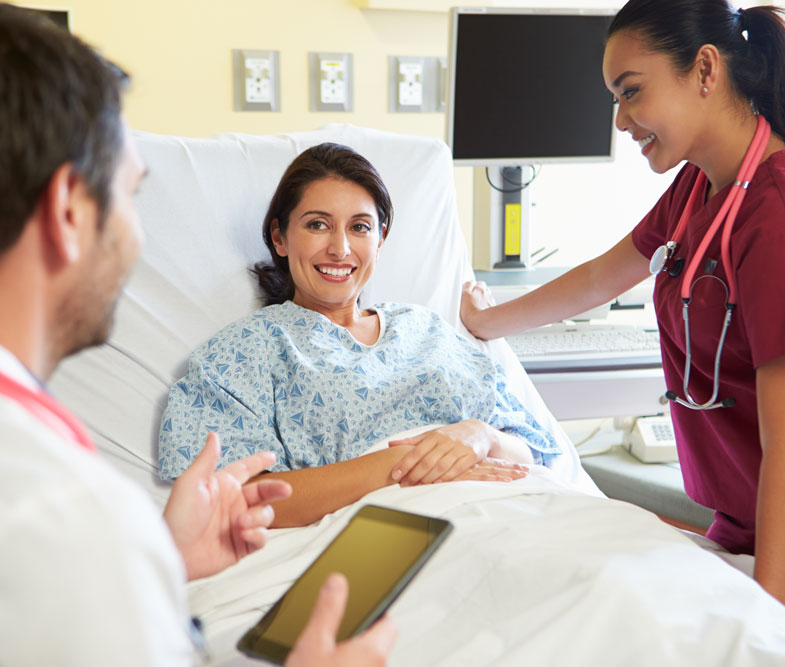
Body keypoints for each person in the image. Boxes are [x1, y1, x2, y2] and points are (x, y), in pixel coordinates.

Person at [0, 4, 395, 665]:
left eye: (361, 226)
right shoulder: (62, 511)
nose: (139, 236)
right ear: (71, 211)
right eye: (133, 194)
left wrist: (164, 557)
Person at [461, 0, 785, 611]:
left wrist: (772, 618)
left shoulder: (779, 212)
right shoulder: (702, 185)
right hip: (738, 525)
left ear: (704, 70)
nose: (620, 120)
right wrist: (484, 322)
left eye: (631, 92)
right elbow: (598, 278)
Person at [159, 142, 562, 527]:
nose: (340, 248)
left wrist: (482, 436)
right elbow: (233, 498)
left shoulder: (427, 330)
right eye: (317, 225)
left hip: (518, 507)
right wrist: (398, 466)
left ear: (380, 239)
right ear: (280, 238)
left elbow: (535, 451)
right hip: (399, 527)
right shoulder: (246, 352)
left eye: (360, 227)